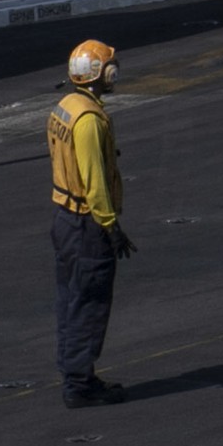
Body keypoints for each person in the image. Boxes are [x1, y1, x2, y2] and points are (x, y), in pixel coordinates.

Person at [46, 39, 139, 408]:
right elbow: (94, 180)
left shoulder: (66, 107)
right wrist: (111, 226)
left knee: (71, 300)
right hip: (86, 224)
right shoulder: (89, 120)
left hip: (63, 218)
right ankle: (79, 385)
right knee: (90, 302)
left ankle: (74, 373)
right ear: (102, 74)